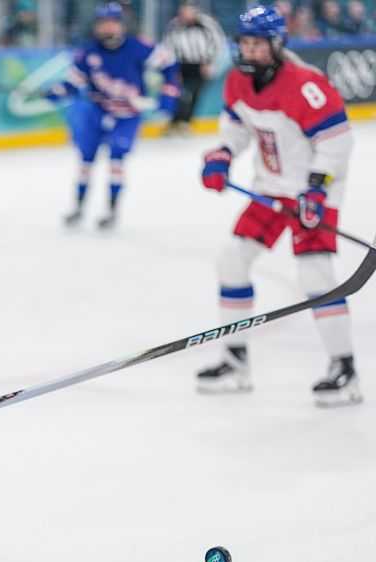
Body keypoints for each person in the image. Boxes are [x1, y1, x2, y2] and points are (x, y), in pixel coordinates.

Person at [196, 5, 360, 408]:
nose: (249, 51)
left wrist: (317, 190)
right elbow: (236, 127)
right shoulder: (237, 80)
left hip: (311, 191)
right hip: (269, 190)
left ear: (277, 43)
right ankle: (236, 361)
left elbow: (337, 142)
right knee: (232, 260)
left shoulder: (305, 85)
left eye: (257, 44)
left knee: (315, 275)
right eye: (245, 43)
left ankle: (345, 370)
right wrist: (222, 153)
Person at [45, 2, 180, 230]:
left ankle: (112, 210)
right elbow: (74, 81)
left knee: (117, 160)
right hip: (97, 111)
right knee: (86, 160)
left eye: (113, 23)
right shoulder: (88, 52)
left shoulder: (138, 47)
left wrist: (168, 95)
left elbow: (169, 65)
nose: (108, 29)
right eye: (104, 24)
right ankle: (78, 208)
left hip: (127, 114)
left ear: (121, 25)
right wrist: (58, 92)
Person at [162, 0, 228, 134]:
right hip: (181, 65)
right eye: (183, 11)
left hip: (201, 64)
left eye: (188, 10)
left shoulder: (207, 23)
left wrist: (210, 63)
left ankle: (184, 123)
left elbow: (218, 42)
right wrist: (173, 69)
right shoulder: (174, 25)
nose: (185, 14)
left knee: (194, 94)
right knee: (180, 94)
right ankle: (176, 122)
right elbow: (168, 46)